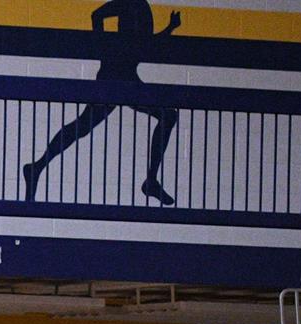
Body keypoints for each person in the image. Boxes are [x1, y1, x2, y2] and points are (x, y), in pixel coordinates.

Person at [21, 1, 182, 206]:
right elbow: (97, 15)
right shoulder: (130, 5)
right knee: (83, 126)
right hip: (115, 77)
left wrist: (170, 28)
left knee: (82, 126)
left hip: (126, 79)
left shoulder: (141, 8)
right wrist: (104, 49)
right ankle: (36, 167)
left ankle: (37, 167)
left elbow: (146, 46)